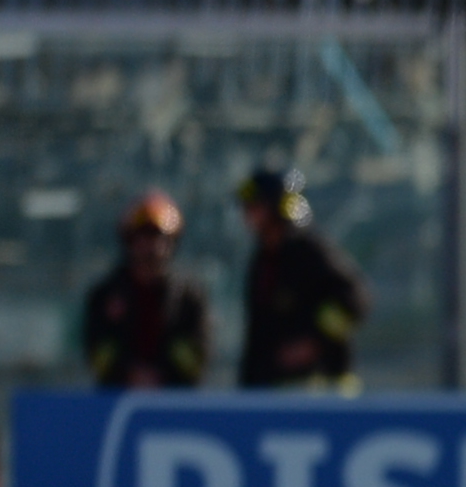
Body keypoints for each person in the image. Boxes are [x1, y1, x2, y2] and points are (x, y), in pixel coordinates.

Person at [235, 168, 372, 392]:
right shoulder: (263, 259)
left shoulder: (310, 252)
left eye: (255, 206)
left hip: (320, 389)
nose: (247, 214)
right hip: (270, 389)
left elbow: (356, 299)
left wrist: (314, 341)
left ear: (276, 207)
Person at [84, 190, 212, 388]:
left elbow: (197, 358)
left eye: (158, 237)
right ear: (128, 240)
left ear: (172, 243)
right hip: (116, 403)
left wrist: (161, 375)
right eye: (142, 236)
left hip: (174, 403)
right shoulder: (105, 295)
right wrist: (129, 373)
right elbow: (97, 353)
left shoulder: (188, 297)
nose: (151, 246)